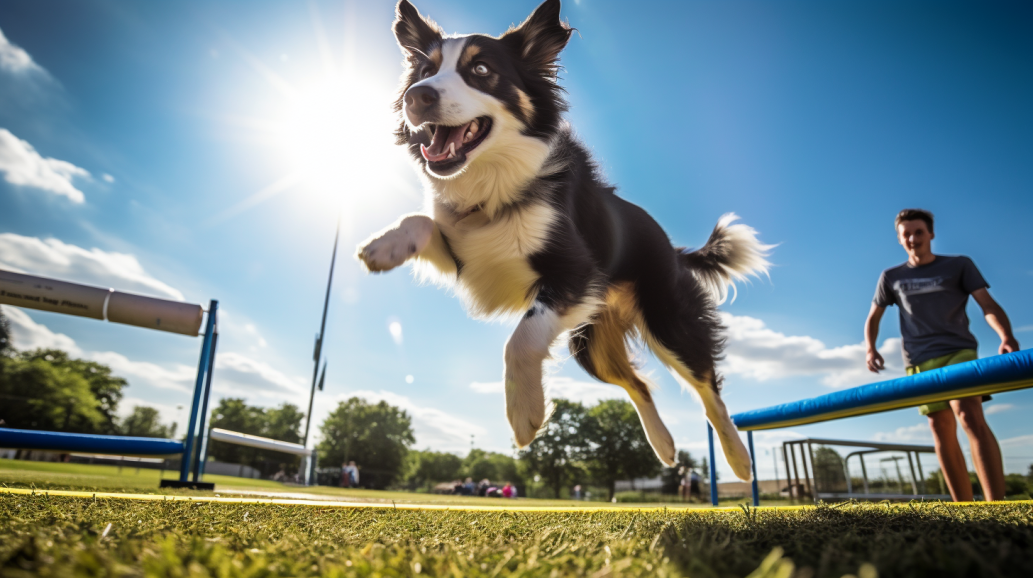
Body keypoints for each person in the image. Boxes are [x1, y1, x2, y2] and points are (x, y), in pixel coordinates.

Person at [865, 209, 1018, 502]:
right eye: (906, 234)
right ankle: (964, 509)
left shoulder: (959, 265)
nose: (913, 238)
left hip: (958, 351)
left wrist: (1006, 336)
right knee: (939, 426)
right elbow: (873, 317)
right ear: (899, 239)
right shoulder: (891, 277)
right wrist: (871, 348)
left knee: (968, 414)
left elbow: (987, 305)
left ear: (931, 234)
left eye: (918, 232)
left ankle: (996, 505)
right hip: (919, 359)